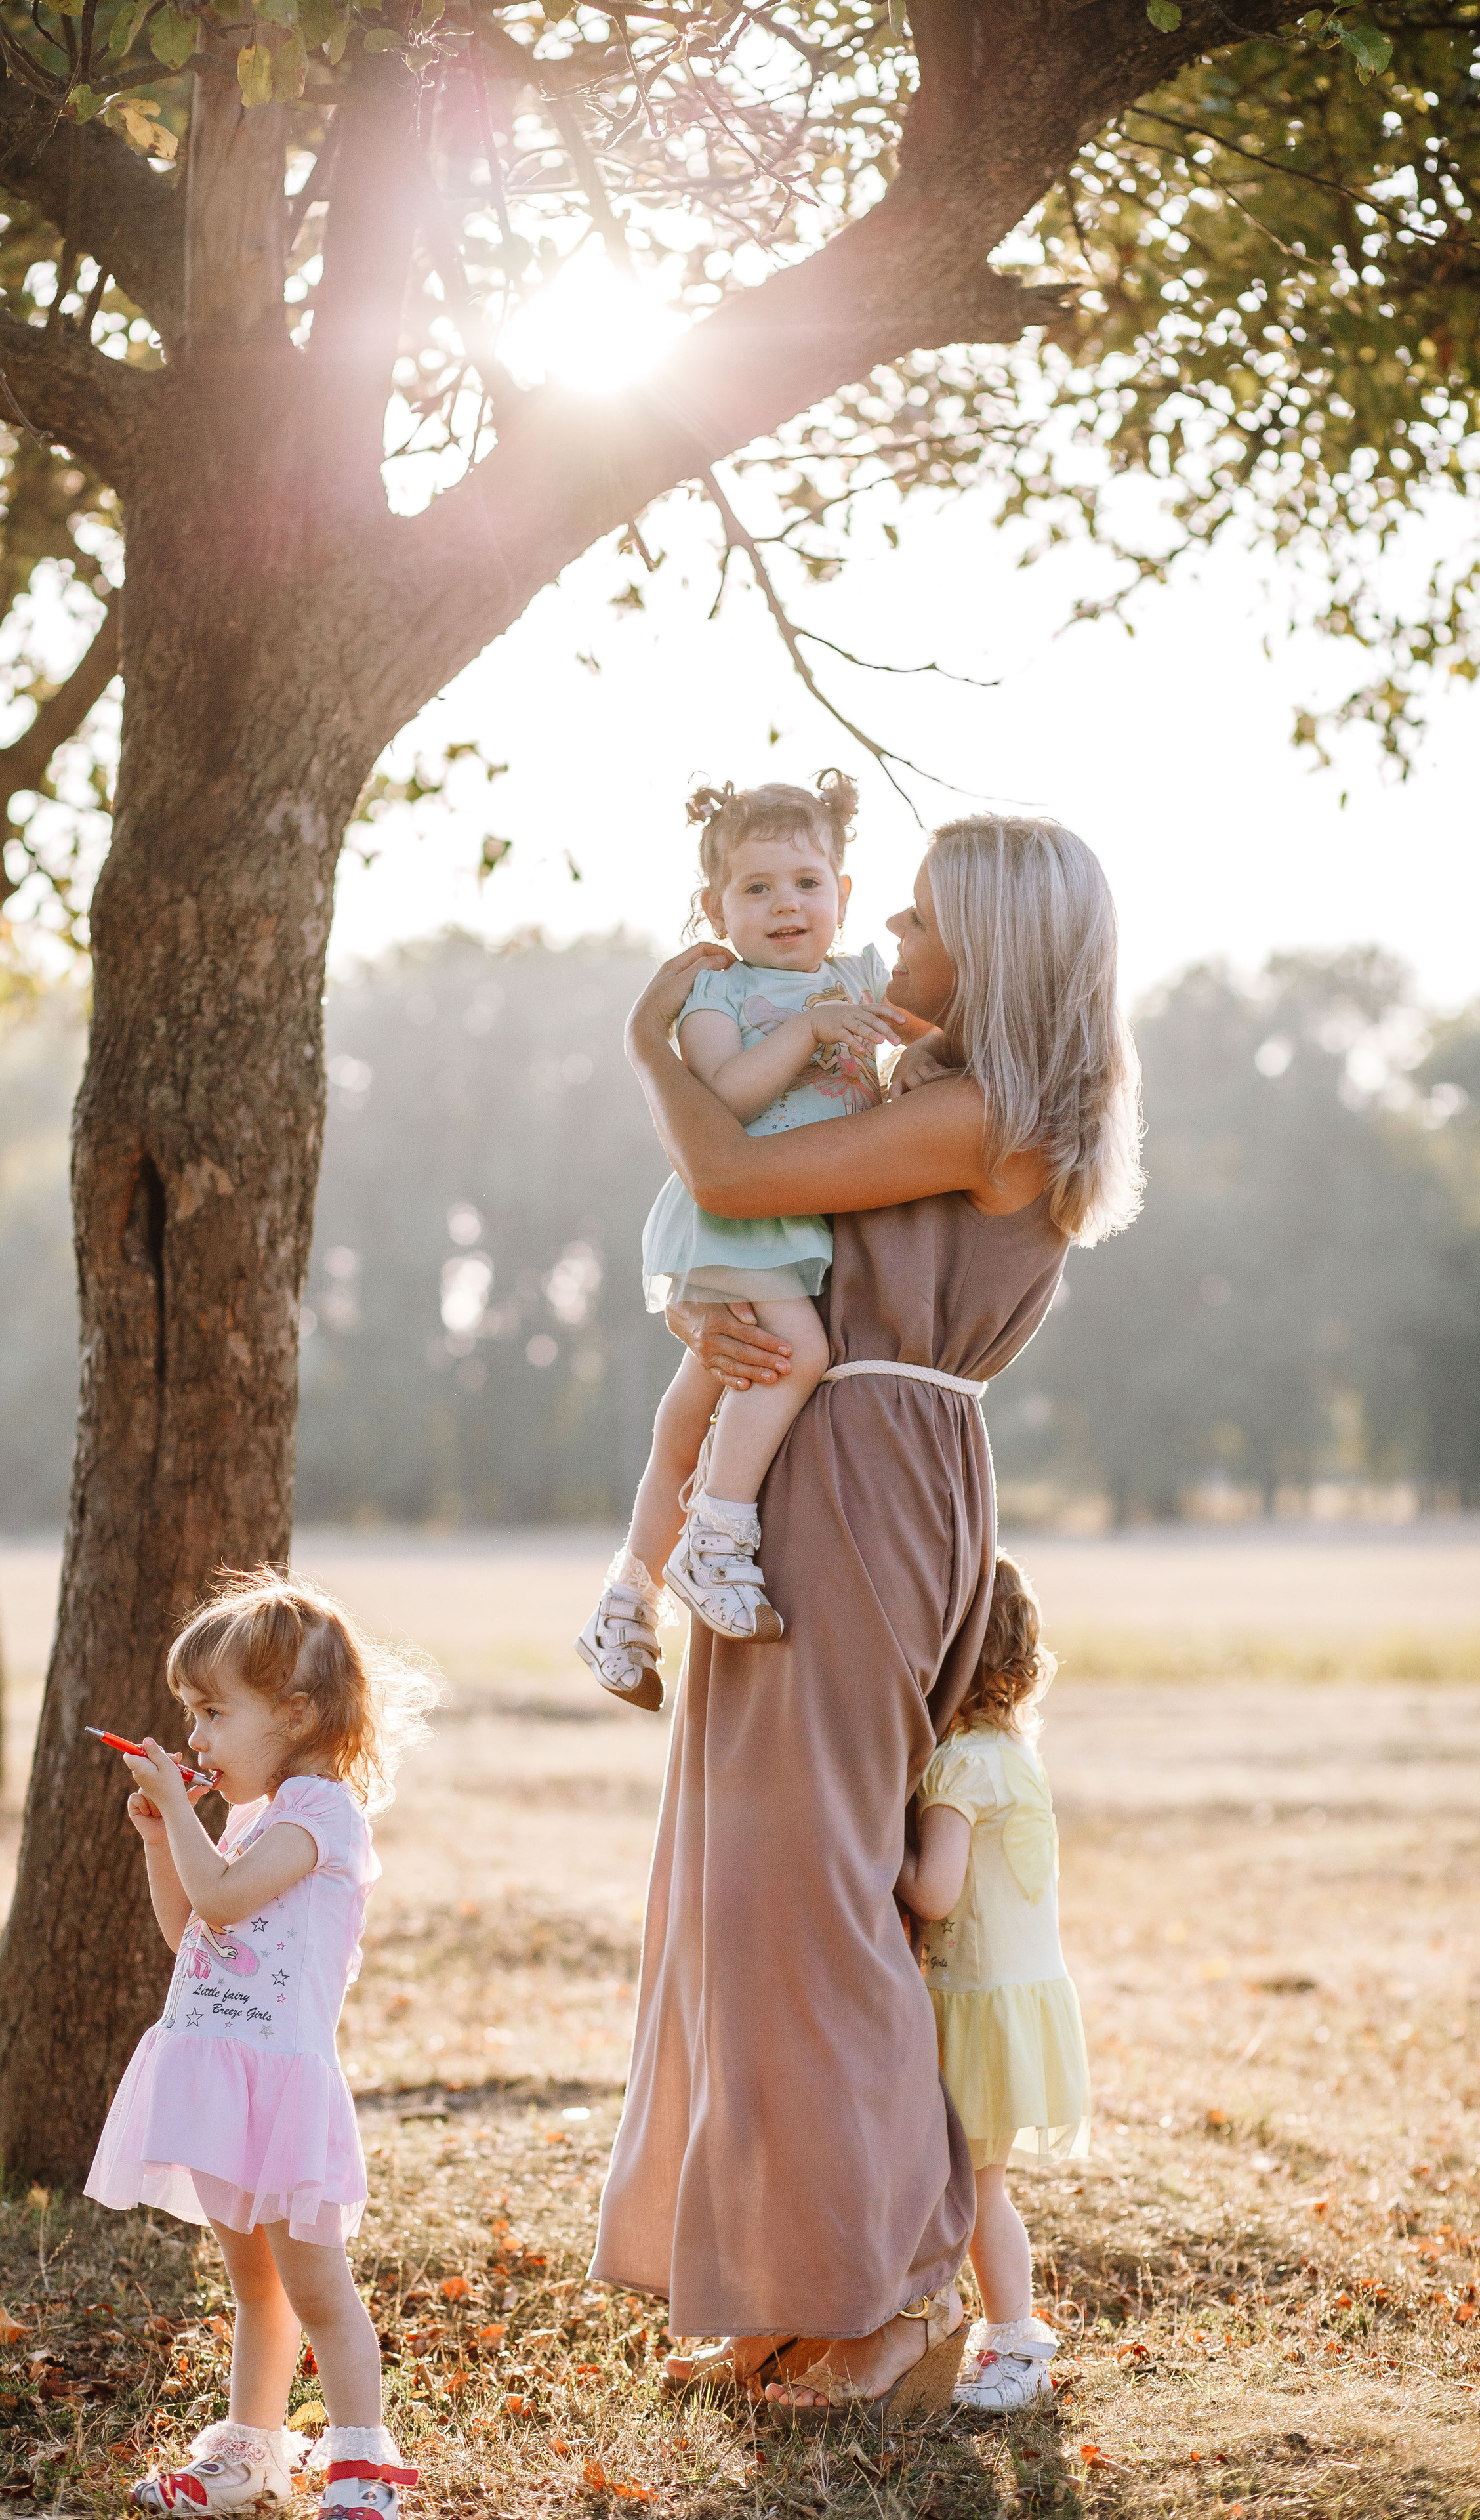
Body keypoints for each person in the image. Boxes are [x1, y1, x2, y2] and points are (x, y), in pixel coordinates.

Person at [589, 814, 1141, 2420]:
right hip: (825, 1465)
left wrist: (651, 1043)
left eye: (913, 918)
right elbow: (754, 1227)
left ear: (991, 946)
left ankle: (885, 2300)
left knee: (813, 1882)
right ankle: (794, 2272)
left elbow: (727, 1164)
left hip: (868, 1477)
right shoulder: (918, 1092)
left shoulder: (992, 1116)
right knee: (758, 1869)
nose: (882, 936)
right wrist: (708, 1302)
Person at [85, 1570, 434, 2517]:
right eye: (187, 1717)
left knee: (317, 2288)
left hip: (281, 2089)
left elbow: (226, 1897)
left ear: (295, 1713)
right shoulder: (249, 1820)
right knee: (255, 2289)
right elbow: (195, 1933)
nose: (193, 1739)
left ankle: (364, 2461)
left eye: (209, 1714)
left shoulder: (322, 1818)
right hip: (220, 2079)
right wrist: (167, 1838)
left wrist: (189, 1835)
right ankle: (253, 2451)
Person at [577, 772, 902, 1709]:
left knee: (689, 1416)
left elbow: (934, 1041)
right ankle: (716, 1536)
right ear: (713, 907)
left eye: (807, 881)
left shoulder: (860, 978)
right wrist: (809, 1029)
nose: (785, 904)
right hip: (739, 1212)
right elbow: (725, 1098)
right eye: (755, 889)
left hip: (797, 1224)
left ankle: (623, 1603)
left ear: (843, 892)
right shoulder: (720, 989)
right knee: (795, 1352)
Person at [897, 1550, 1088, 2414]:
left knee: (977, 2191)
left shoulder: (961, 1765)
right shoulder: (1013, 1753)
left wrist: (871, 1849)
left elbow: (934, 1890)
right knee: (978, 2186)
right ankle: (985, 2333)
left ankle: (1017, 2343)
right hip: (1017, 2004)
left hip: (974, 2010)